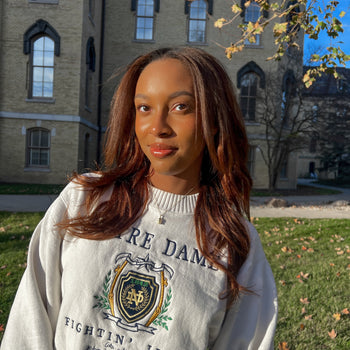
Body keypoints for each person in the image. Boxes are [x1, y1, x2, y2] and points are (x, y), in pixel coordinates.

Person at [1, 47, 277, 350]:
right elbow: (29, 323)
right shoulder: (84, 200)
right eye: (144, 108)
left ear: (213, 119)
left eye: (181, 107)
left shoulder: (236, 243)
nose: (158, 127)